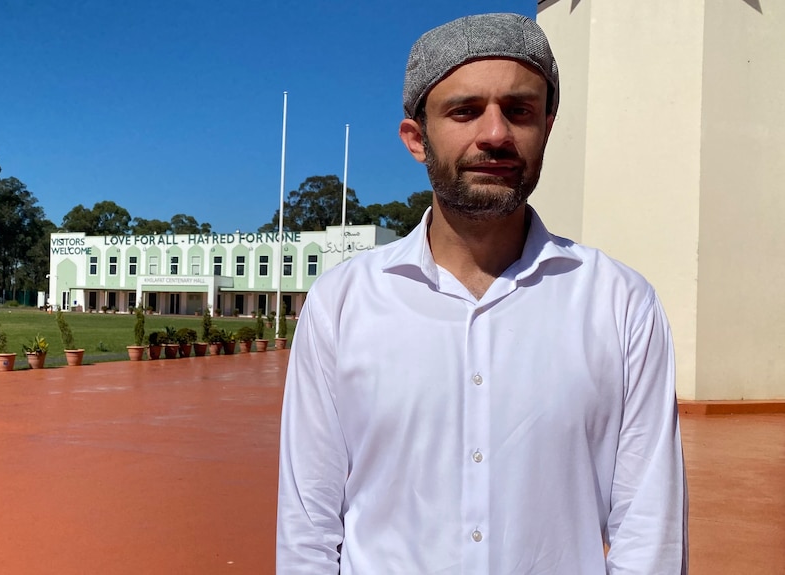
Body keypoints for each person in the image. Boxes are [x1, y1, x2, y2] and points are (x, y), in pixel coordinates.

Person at [277, 13, 688, 574]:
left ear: (546, 125)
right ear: (416, 138)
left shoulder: (620, 305)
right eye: (465, 111)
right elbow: (308, 526)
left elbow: (650, 531)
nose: (495, 134)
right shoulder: (342, 305)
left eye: (518, 111)